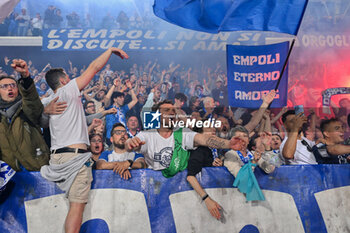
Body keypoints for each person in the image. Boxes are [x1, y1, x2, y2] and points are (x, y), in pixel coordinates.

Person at [40, 47, 128, 233]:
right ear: (64, 80)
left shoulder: (48, 101)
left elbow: (37, 114)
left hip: (57, 158)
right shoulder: (69, 90)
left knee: (67, 208)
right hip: (75, 158)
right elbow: (94, 67)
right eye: (68, 77)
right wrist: (110, 50)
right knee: (76, 208)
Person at [125, 100, 246, 173]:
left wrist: (228, 144)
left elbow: (205, 139)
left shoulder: (182, 133)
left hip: (178, 188)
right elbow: (129, 145)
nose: (171, 113)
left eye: (173, 111)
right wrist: (130, 142)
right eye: (166, 110)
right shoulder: (147, 135)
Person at [0, 59, 49, 171]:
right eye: (4, 86)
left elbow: (33, 105)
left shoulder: (25, 108)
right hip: (9, 176)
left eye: (13, 85)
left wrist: (26, 78)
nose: (10, 88)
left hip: (36, 170)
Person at [186, 124, 224, 220]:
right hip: (202, 201)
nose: (213, 129)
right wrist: (207, 199)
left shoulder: (213, 150)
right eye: (208, 128)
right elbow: (190, 177)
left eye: (213, 127)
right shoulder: (199, 151)